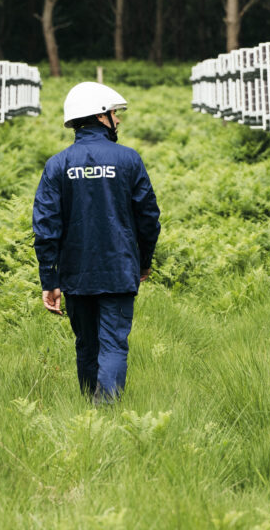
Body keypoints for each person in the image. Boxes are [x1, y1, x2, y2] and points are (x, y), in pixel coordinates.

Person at [32, 81, 161, 403]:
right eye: (115, 114)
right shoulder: (129, 160)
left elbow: (45, 227)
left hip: (76, 275)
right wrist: (143, 262)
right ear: (101, 116)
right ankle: (107, 412)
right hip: (119, 271)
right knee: (114, 344)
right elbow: (148, 218)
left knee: (86, 345)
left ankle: (92, 415)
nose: (118, 120)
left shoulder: (57, 165)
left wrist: (50, 279)